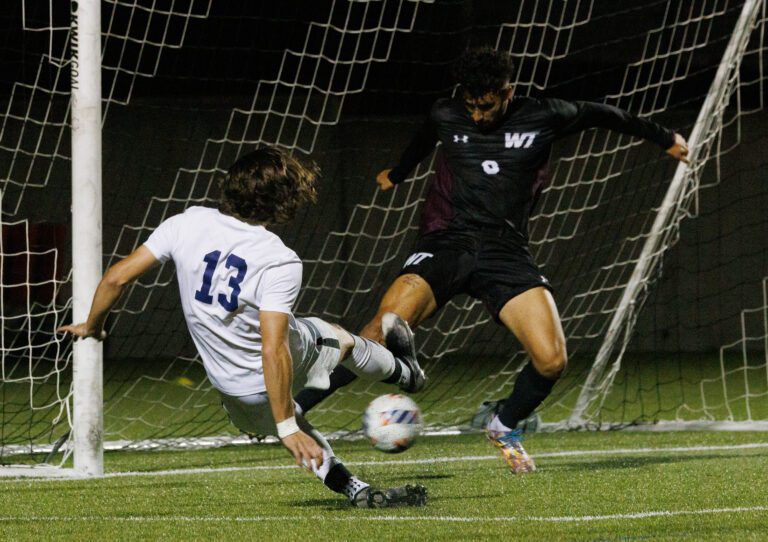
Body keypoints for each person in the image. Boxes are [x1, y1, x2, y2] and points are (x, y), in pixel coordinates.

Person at [294, 47, 689, 473]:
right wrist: (400, 172)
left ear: (508, 92)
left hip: (505, 251)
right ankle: (296, 408)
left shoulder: (545, 115)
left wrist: (665, 139)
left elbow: (607, 115)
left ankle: (503, 424)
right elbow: (426, 138)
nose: (478, 116)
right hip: (446, 242)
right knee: (379, 330)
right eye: (471, 106)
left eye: (487, 106)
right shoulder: (448, 113)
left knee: (552, 360)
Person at [58, 146, 427, 508]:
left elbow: (115, 279)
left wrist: (93, 326)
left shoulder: (185, 222)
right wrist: (287, 427)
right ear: (282, 203)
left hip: (232, 392)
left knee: (301, 425)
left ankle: (355, 489)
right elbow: (274, 347)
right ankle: (405, 373)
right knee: (344, 341)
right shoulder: (278, 259)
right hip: (278, 364)